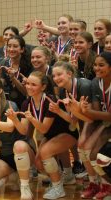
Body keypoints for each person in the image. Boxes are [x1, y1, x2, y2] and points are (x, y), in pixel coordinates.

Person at [23, 71, 79, 199]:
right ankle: (64, 177)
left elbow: (43, 129)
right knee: (38, 163)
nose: (29, 87)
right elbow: (27, 130)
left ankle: (58, 188)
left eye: (33, 84)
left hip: (67, 133)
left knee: (46, 153)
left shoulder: (50, 100)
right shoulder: (27, 103)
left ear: (43, 87)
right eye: (27, 83)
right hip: (51, 136)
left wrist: (31, 119)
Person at [77, 52, 111, 199]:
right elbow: (97, 112)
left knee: (97, 155)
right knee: (85, 148)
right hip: (105, 123)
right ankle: (95, 184)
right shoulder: (96, 82)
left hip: (108, 122)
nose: (97, 68)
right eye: (95, 65)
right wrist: (82, 110)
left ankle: (107, 185)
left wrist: (87, 111)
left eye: (101, 65)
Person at [52, 61, 92, 180]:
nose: (56, 78)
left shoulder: (84, 86)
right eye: (54, 76)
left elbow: (91, 116)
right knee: (82, 145)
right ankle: (92, 178)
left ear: (69, 74)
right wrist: (58, 111)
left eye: (59, 74)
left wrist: (75, 110)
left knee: (85, 145)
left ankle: (98, 179)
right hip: (86, 121)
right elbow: (73, 119)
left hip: (98, 120)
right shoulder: (62, 90)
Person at [0, 35, 32, 107]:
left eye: (15, 46)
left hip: (26, 103)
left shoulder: (29, 65)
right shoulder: (4, 63)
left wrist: (13, 78)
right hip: (9, 102)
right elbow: (1, 85)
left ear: (22, 49)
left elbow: (26, 92)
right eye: (9, 46)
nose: (11, 49)